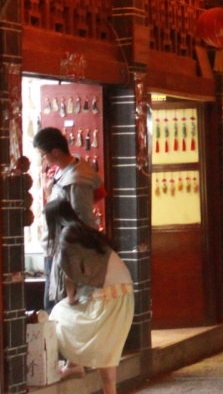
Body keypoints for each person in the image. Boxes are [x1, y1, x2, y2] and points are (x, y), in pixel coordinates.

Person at [44, 199, 133, 394]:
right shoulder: (82, 230)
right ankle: (76, 366)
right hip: (124, 293)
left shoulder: (67, 236)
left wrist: (70, 299)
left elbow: (70, 275)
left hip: (109, 296)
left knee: (60, 312)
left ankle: (74, 364)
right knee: (106, 350)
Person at [35, 127, 102, 309]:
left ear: (56, 152)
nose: (43, 160)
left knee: (58, 306)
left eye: (43, 154)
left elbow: (81, 219)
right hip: (56, 246)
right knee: (54, 304)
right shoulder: (63, 172)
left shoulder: (77, 180)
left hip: (65, 250)